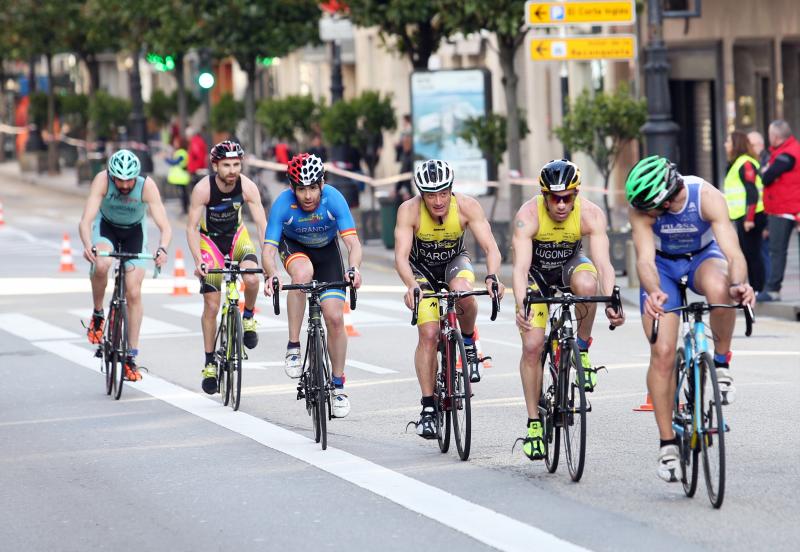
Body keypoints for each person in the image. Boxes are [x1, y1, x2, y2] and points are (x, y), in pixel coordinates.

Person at [625, 155, 755, 483]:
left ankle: (721, 364)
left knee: (720, 287)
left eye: (650, 206)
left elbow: (734, 255)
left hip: (701, 258)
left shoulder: (707, 197)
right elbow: (644, 260)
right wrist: (653, 291)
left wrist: (740, 285)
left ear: (667, 199)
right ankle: (667, 443)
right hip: (662, 267)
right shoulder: (641, 208)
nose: (644, 212)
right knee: (663, 352)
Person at [511, 159, 624, 460]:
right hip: (537, 276)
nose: (561, 205)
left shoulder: (591, 214)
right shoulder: (527, 216)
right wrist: (521, 302)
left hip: (569, 269)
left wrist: (612, 297)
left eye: (568, 198)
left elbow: (603, 264)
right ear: (544, 195)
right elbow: (520, 268)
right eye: (554, 198)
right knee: (533, 346)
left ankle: (582, 350)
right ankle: (534, 423)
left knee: (588, 284)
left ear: (576, 194)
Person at [394, 159, 505, 439]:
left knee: (464, 292)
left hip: (455, 262)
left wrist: (492, 276)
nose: (439, 200)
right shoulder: (409, 211)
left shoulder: (467, 206)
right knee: (429, 334)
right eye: (431, 194)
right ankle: (428, 409)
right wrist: (410, 285)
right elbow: (400, 257)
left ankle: (468, 343)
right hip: (421, 270)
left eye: (443, 193)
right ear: (421, 193)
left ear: (451, 190)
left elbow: (491, 247)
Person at [262, 153, 362, 419]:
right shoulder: (283, 204)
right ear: (292, 187)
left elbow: (352, 243)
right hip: (294, 249)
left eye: (312, 188)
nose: (307, 195)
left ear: (322, 183)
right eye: (301, 189)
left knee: (334, 317)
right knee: (302, 274)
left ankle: (338, 385)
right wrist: (270, 274)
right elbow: (269, 249)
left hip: (327, 251)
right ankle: (294, 346)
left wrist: (354, 269)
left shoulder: (334, 198)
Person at [78, 149, 172, 381]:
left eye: (129, 179)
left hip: (134, 233)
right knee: (102, 264)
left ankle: (131, 356)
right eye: (119, 179)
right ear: (111, 176)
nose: (124, 184)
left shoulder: (146, 186)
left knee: (133, 291)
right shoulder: (102, 180)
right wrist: (88, 245)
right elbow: (86, 220)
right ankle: (99, 314)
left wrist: (162, 249)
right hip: (106, 227)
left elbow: (165, 226)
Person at [187, 140, 268, 394]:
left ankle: (248, 317)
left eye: (236, 164)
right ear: (215, 166)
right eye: (226, 165)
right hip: (210, 242)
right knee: (211, 304)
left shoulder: (247, 186)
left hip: (236, 237)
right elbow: (190, 228)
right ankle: (210, 361)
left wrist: (267, 258)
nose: (232, 170)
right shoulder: (203, 189)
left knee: (252, 279)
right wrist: (198, 260)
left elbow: (262, 223)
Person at [757, 120, 800, 302]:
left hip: (784, 210)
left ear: (775, 136)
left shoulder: (785, 155)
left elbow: (767, 177)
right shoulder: (790, 150)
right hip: (789, 208)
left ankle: (773, 289)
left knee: (777, 251)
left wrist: (765, 170)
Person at [725, 130, 766, 292]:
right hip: (742, 215)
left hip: (751, 216)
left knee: (752, 254)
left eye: (728, 141)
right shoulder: (738, 163)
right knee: (748, 254)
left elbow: (752, 192)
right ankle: (755, 288)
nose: (725, 145)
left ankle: (758, 289)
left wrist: (749, 218)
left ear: (736, 144)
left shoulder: (745, 163)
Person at [166, 135, 191, 214]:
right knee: (183, 194)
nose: (174, 143)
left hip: (181, 177)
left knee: (183, 194)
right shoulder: (181, 152)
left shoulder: (182, 152)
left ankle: (185, 209)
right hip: (180, 177)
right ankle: (185, 208)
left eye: (176, 142)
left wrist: (166, 159)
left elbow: (175, 162)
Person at [187, 126, 209, 190]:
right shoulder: (199, 140)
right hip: (199, 169)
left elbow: (197, 155)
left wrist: (195, 168)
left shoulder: (194, 142)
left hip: (196, 170)